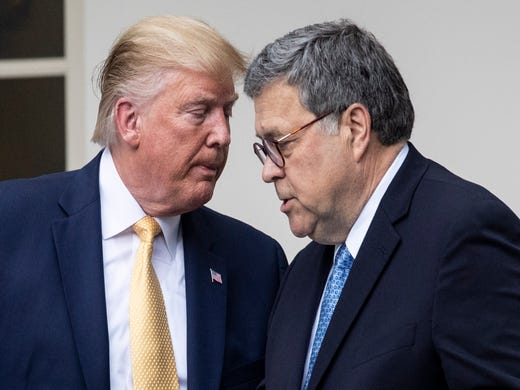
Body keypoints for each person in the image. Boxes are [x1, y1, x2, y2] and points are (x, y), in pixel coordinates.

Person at [0, 15, 287, 389]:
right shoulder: (11, 226)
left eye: (227, 112)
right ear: (130, 120)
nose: (223, 135)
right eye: (200, 113)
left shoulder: (256, 262)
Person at [244, 18, 520, 389]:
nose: (269, 171)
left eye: (282, 144)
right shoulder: (303, 271)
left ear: (355, 129)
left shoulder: (463, 234)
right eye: (265, 150)